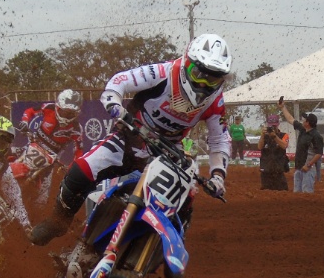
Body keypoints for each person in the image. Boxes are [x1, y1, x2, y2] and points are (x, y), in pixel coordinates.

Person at [30, 33, 233, 246]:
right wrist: (114, 103)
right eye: (198, 73)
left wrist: (218, 175)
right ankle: (58, 222)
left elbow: (219, 139)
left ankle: (169, 243)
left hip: (169, 151)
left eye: (213, 78)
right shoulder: (163, 72)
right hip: (131, 136)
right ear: (186, 64)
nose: (203, 84)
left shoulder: (215, 102)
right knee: (80, 170)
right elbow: (120, 81)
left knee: (188, 193)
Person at [11, 89, 84, 208]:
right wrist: (25, 122)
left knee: (42, 200)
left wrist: (72, 169)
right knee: (11, 155)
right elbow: (30, 111)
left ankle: (33, 215)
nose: (66, 116)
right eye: (64, 112)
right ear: (58, 107)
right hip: (33, 144)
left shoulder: (76, 129)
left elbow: (78, 152)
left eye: (70, 113)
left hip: (51, 158)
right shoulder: (49, 107)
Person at [279, 99, 324, 193]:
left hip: (308, 169)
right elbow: (290, 119)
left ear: (308, 123)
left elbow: (319, 153)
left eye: (305, 119)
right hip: (299, 168)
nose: (303, 120)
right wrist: (283, 107)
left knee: (306, 193)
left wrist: (308, 165)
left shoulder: (316, 136)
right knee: (297, 194)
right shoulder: (303, 129)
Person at [258, 113, 289, 190]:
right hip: (266, 169)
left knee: (282, 192)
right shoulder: (265, 136)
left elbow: (284, 145)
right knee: (266, 192)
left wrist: (274, 136)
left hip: (278, 169)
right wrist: (262, 135)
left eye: (274, 125)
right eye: (271, 125)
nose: (273, 127)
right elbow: (259, 147)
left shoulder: (284, 135)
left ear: (278, 124)